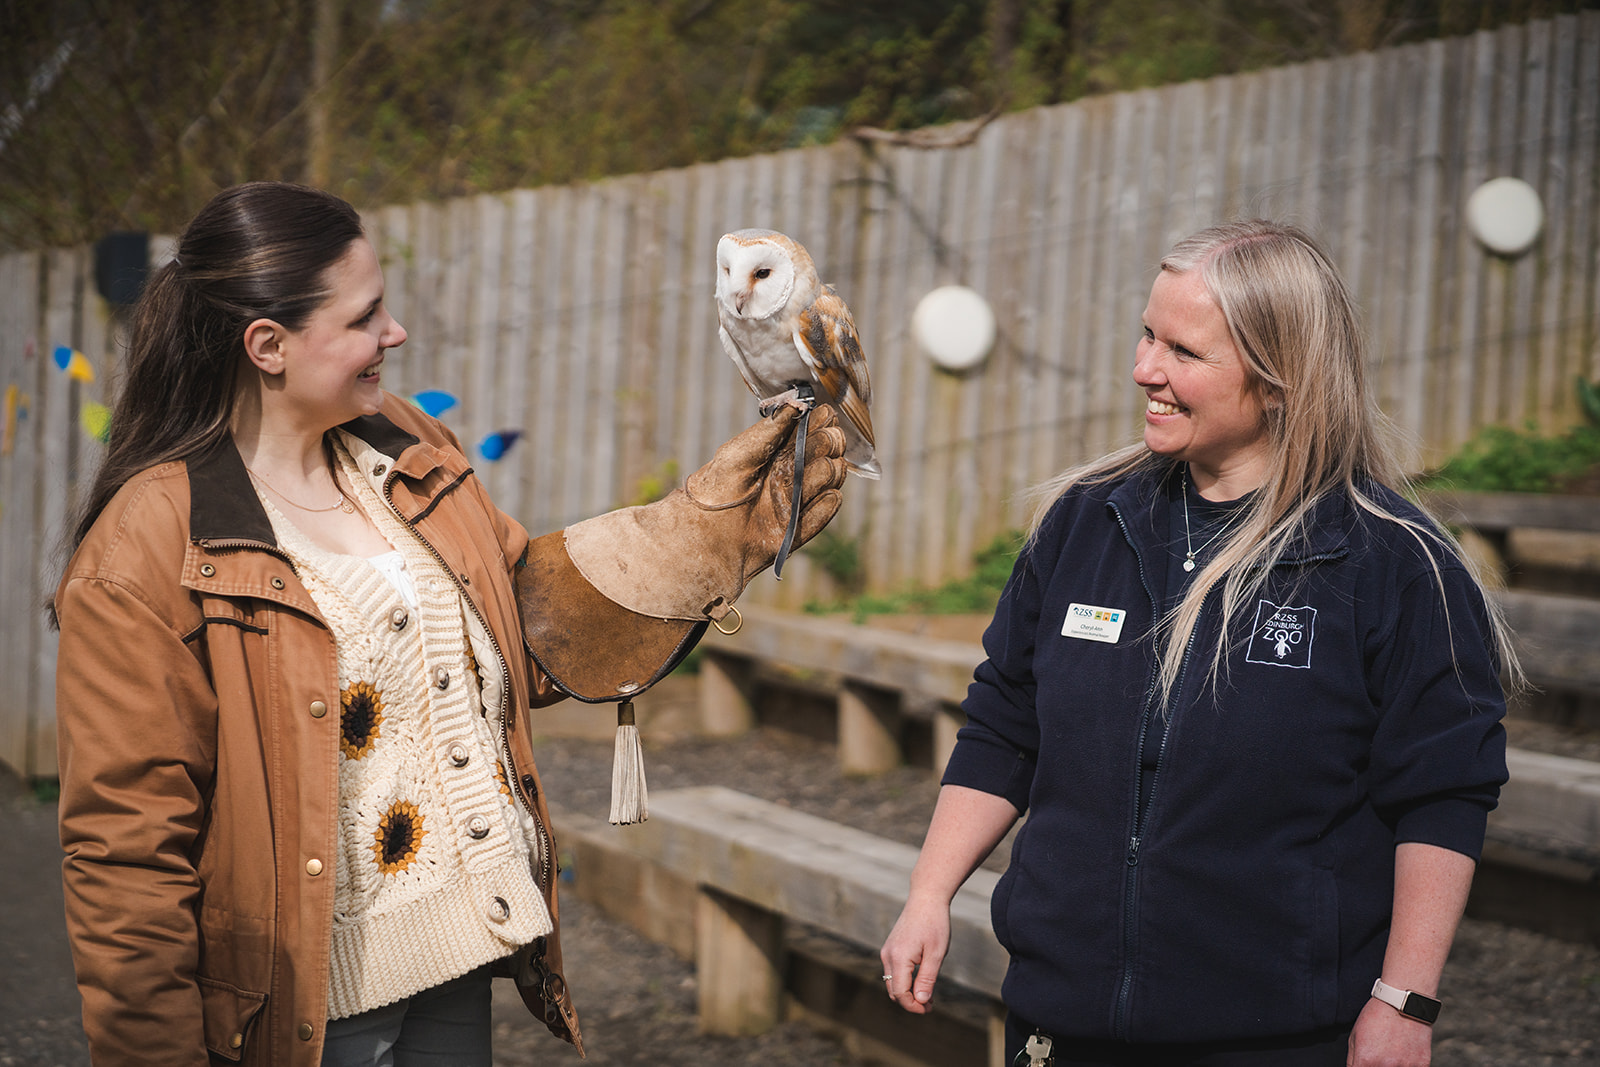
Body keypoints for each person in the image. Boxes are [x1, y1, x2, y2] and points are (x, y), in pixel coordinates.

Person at [53, 180, 848, 1067]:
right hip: (298, 1014)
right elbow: (125, 859)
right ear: (268, 346)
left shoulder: (398, 442)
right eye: (365, 317)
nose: (392, 335)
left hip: (459, 961)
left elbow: (518, 627)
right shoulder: (145, 550)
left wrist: (697, 540)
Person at [879, 220, 1514, 1067]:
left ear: (1281, 381)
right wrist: (929, 894)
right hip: (1060, 1022)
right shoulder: (1083, 521)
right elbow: (1005, 725)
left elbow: (1444, 791)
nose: (1146, 369)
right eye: (1147, 334)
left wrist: (1405, 1001)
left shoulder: (1395, 564)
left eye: (1184, 350)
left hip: (1273, 1036)